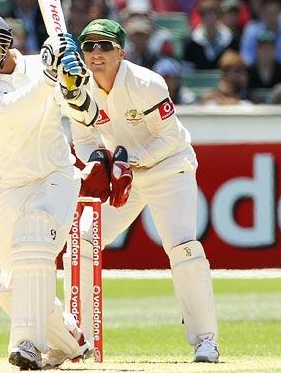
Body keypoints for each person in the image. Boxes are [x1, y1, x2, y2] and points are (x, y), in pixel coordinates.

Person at [66, 18, 220, 363]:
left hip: (168, 168)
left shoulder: (147, 83)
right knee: (83, 242)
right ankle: (78, 338)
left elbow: (169, 137)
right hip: (125, 173)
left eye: (104, 46)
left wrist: (128, 161)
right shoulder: (78, 88)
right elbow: (84, 138)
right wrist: (99, 164)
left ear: (121, 51)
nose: (96, 53)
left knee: (183, 248)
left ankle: (206, 341)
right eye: (89, 46)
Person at [0, 11, 95, 370]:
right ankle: (70, 342)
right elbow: (13, 112)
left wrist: (75, 80)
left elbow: (82, 110)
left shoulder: (40, 65)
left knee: (34, 240)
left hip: (55, 175)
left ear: (5, 39)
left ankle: (27, 345)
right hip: (8, 187)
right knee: (11, 284)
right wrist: (50, 78)